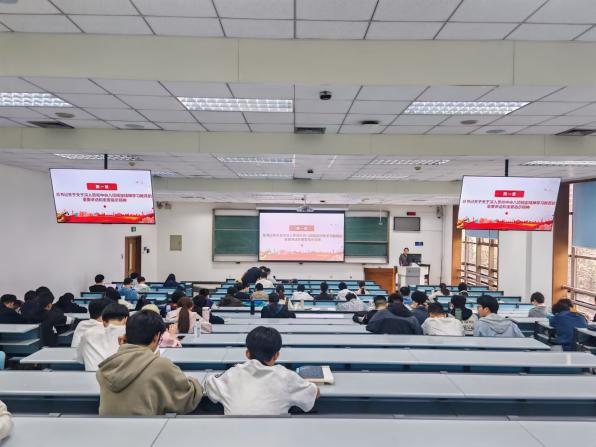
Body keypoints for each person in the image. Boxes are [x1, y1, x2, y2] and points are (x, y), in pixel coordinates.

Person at [96, 310, 203, 416]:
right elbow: (188, 398)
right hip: (145, 427)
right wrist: (195, 382)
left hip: (106, 426)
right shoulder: (161, 365)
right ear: (156, 336)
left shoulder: (106, 367)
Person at [204, 326, 319, 415]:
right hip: (275, 435)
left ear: (247, 354)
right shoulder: (286, 376)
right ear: (276, 355)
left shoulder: (231, 374)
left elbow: (209, 384)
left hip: (233, 435)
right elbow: (314, 393)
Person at [77, 303, 129, 371]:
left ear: (103, 321)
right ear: (126, 319)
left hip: (92, 377)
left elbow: (80, 359)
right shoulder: (133, 335)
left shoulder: (88, 334)